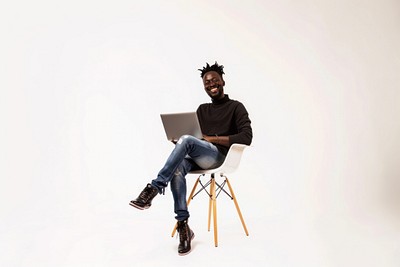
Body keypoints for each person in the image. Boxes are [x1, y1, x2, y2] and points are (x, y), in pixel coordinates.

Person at [129, 62, 253, 255]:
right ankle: (183, 226)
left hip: (219, 157)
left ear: (223, 81)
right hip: (198, 155)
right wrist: (179, 143)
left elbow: (247, 137)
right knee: (178, 168)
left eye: (215, 80)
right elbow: (195, 138)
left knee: (187, 140)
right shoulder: (202, 109)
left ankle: (155, 187)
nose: (211, 84)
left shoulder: (236, 107)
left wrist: (213, 139)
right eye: (207, 82)